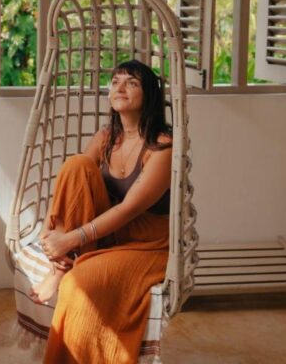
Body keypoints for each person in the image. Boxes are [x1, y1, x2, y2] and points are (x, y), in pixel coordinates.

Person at [30, 59, 173, 363]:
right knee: (77, 164)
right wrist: (48, 227)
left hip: (146, 244)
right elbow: (72, 185)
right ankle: (59, 267)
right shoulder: (106, 137)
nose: (120, 87)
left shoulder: (163, 146)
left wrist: (70, 239)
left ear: (148, 94)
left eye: (131, 82)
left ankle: (67, 271)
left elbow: (130, 209)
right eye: (116, 81)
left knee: (80, 286)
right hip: (107, 233)